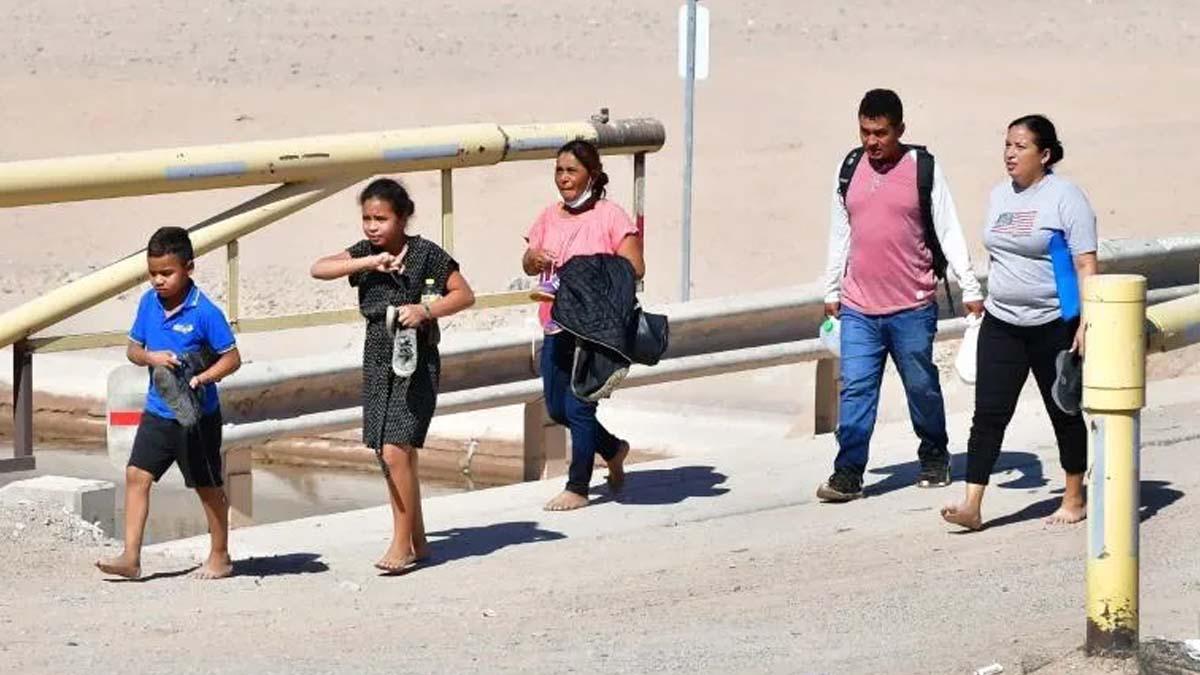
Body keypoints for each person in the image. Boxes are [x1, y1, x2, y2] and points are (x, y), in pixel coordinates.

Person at [818, 88, 985, 502]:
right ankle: (848, 472)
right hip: (858, 308)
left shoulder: (922, 168)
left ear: (900, 130)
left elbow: (948, 228)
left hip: (912, 306)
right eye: (865, 132)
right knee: (856, 390)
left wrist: (969, 285)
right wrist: (831, 288)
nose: (871, 142)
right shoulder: (849, 168)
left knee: (921, 386)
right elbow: (840, 232)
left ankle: (934, 454)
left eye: (881, 133)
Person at [311, 177, 475, 571]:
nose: (372, 227)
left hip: (415, 357)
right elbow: (319, 268)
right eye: (367, 218)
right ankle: (418, 540)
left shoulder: (426, 254)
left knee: (395, 448)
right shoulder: (365, 253)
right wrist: (369, 262)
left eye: (381, 219)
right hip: (377, 355)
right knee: (389, 452)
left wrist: (424, 310)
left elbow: (464, 294)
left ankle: (401, 545)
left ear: (402, 218)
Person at [942, 115, 1097, 531]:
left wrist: (1087, 321)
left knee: (1063, 411)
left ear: (1044, 154)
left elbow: (1085, 264)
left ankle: (1074, 495)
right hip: (1002, 322)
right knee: (989, 414)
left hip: (1052, 325)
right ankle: (972, 504)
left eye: (1020, 146)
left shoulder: (1066, 198)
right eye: (1007, 145)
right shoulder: (999, 196)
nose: (1010, 154)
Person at [96, 226, 242, 579]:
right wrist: (151, 357)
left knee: (207, 488)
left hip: (197, 418)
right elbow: (133, 350)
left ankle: (220, 556)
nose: (158, 280)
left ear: (188, 268)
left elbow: (232, 358)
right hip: (158, 411)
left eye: (166, 273)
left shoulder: (205, 312)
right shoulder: (148, 303)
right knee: (136, 475)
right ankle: (131, 558)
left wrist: (203, 378)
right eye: (153, 273)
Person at [522, 139, 645, 511]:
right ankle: (613, 448)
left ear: (592, 175)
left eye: (571, 171)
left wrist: (585, 273)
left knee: (579, 407)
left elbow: (635, 267)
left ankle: (578, 486)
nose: (563, 178)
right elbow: (527, 262)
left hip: (593, 330)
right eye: (559, 170)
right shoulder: (548, 216)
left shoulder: (611, 216)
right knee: (558, 409)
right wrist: (533, 258)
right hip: (554, 324)